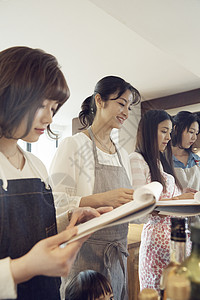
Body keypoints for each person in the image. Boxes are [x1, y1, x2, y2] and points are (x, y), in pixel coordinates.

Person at [0, 46, 111, 300]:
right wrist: (23, 268)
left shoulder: (36, 165)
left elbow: (37, 230)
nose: (49, 119)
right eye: (42, 105)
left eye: (54, 108)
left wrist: (71, 220)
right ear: (8, 96)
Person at [50, 75, 141, 300]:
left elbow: (125, 206)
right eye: (121, 104)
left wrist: (145, 204)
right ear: (99, 101)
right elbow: (54, 202)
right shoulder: (74, 145)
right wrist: (101, 199)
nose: (126, 113)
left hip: (117, 255)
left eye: (128, 107)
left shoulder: (122, 155)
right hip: (84, 256)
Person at [129, 109, 193, 292]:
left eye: (169, 132)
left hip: (176, 240)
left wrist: (184, 193)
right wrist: (180, 198)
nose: (168, 137)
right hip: (157, 246)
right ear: (149, 131)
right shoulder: (137, 159)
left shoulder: (161, 161)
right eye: (163, 131)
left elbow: (169, 196)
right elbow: (143, 207)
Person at [171, 111, 200, 192]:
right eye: (191, 132)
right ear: (176, 129)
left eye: (196, 133)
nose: (194, 138)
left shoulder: (197, 160)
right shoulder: (162, 160)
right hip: (173, 204)